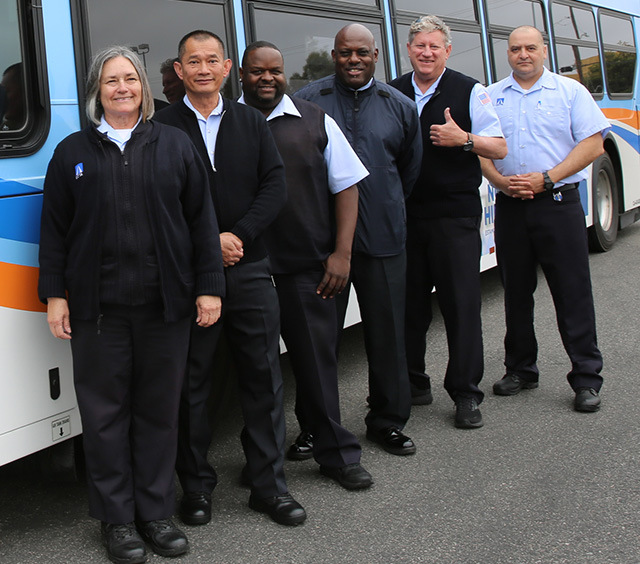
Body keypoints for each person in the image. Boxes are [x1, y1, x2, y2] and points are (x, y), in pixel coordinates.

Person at [38, 46, 224, 564]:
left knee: (159, 413)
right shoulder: (72, 152)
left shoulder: (174, 144)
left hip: (166, 308)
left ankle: (156, 513)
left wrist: (208, 286)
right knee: (103, 418)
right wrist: (56, 295)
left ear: (143, 85)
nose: (122, 88)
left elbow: (201, 221)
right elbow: (53, 231)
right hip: (98, 312)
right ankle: (117, 521)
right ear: (97, 90)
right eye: (111, 81)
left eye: (130, 79)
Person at [155, 30, 306, 527]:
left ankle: (269, 486)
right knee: (192, 385)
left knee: (263, 379)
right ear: (179, 71)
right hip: (192, 277)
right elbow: (162, 201)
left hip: (252, 269)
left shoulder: (251, 120)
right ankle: (196, 488)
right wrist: (207, 245)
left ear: (225, 69)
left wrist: (237, 235)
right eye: (191, 61)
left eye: (211, 60)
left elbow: (274, 184)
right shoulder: (162, 126)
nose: (202, 68)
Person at [239, 41, 373, 490]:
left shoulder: (314, 120)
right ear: (242, 74)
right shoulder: (223, 122)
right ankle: (261, 460)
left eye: (275, 71)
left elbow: (348, 185)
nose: (267, 79)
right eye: (258, 71)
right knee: (254, 372)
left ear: (285, 73)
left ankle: (337, 454)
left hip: (304, 267)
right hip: (245, 271)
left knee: (317, 367)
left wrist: (342, 253)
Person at [294, 24, 422, 456]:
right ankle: (315, 427)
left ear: (376, 56)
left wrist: (382, 207)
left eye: (362, 53)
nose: (354, 60)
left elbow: (409, 170)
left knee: (387, 336)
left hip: (384, 240)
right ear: (333, 55)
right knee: (319, 343)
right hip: (322, 246)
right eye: (346, 53)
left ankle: (387, 421)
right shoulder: (307, 102)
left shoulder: (400, 107)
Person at [480, 25, 607, 412]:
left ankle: (586, 378)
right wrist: (499, 180)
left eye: (530, 48)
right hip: (511, 207)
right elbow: (482, 146)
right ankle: (521, 369)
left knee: (572, 293)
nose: (523, 55)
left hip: (557, 204)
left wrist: (547, 177)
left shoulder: (570, 92)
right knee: (515, 292)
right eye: (516, 48)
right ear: (508, 53)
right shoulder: (491, 96)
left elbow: (593, 143)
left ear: (544, 51)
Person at [389, 15, 506, 429]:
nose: (426, 52)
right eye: (419, 45)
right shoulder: (392, 91)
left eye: (434, 46)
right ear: (408, 49)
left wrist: (465, 140)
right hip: (405, 216)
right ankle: (414, 384)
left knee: (460, 305)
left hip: (454, 217)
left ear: (447, 50)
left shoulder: (469, 90)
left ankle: (465, 393)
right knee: (408, 308)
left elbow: (500, 146)